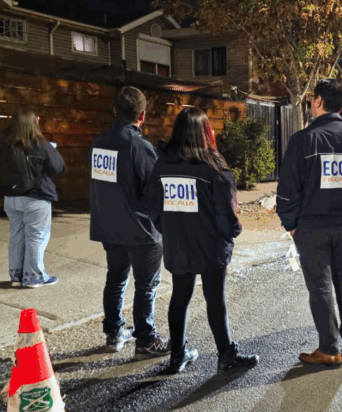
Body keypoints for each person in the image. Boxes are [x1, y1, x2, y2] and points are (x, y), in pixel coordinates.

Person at [146, 108, 259, 374]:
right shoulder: (212, 166)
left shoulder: (163, 164)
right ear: (204, 132)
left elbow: (152, 205)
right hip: (209, 244)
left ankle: (177, 355)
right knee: (215, 299)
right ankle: (226, 355)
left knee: (180, 296)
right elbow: (226, 212)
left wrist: (168, 229)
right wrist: (233, 231)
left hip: (178, 243)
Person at [277, 78, 342, 368]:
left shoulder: (303, 140)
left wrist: (291, 225)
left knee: (320, 286)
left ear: (320, 101)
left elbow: (286, 190)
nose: (311, 103)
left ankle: (329, 348)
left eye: (312, 98)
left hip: (310, 227)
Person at [89, 86, 170, 358]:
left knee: (116, 280)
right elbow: (156, 189)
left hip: (110, 227)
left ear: (115, 111)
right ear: (143, 115)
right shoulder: (139, 146)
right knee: (145, 286)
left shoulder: (99, 143)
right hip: (140, 229)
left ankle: (114, 333)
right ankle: (146, 340)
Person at [0, 109, 65, 288]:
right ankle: (34, 277)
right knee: (36, 237)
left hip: (11, 198)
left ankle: (16, 276)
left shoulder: (5, 145)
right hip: (36, 198)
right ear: (35, 122)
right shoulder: (40, 144)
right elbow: (58, 167)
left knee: (16, 236)